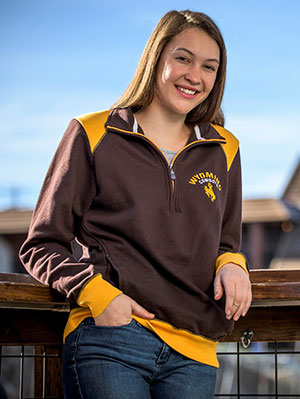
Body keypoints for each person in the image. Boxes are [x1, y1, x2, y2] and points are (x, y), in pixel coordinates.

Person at [19, 9, 252, 399]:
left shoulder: (225, 149)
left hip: (194, 352)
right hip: (112, 340)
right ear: (156, 58)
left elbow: (225, 242)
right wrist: (98, 296)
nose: (195, 75)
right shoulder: (92, 133)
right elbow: (40, 245)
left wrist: (232, 265)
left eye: (209, 66)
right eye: (183, 58)